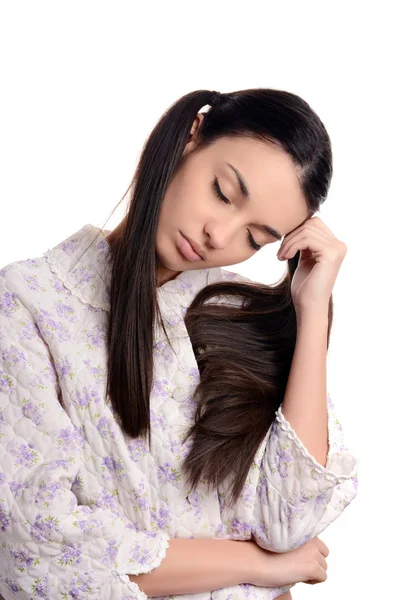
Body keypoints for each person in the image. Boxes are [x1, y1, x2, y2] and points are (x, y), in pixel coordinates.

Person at [0, 88, 358, 600]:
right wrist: (257, 564)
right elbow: (33, 542)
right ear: (194, 133)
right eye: (222, 191)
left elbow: (291, 522)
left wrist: (312, 311)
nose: (220, 233)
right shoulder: (28, 305)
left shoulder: (239, 317)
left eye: (255, 237)